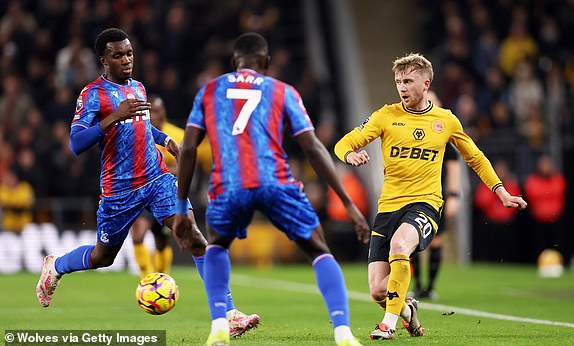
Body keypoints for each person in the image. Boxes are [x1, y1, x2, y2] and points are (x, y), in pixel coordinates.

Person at [35, 28, 259, 338]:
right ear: (103, 60)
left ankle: (228, 314)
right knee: (103, 256)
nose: (126, 59)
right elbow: (76, 143)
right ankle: (57, 266)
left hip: (156, 179)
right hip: (119, 190)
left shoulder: (138, 87)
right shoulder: (91, 95)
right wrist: (112, 117)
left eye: (129, 53)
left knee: (193, 235)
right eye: (118, 55)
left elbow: (140, 126)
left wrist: (166, 139)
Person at [173, 33, 370, 346]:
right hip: (275, 180)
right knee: (318, 249)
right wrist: (347, 202)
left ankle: (219, 328)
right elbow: (314, 148)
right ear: (265, 62)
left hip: (230, 183)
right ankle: (343, 333)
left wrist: (181, 206)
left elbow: (188, 149)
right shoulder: (282, 90)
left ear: (234, 63)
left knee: (218, 245)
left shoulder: (210, 90)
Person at [334, 53, 527, 340]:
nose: (402, 87)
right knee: (377, 290)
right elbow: (343, 143)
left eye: (408, 81)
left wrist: (500, 191)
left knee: (401, 244)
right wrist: (350, 154)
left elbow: (475, 157)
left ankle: (387, 325)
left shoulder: (445, 120)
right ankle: (407, 311)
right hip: (388, 208)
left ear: (426, 83)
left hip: (425, 204)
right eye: (398, 81)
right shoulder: (385, 116)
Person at [410, 91, 461, 300]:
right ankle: (416, 284)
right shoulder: (410, 134)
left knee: (436, 240)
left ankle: (429, 287)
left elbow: (453, 168)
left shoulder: (444, 140)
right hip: (411, 194)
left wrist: (455, 196)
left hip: (436, 197)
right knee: (410, 242)